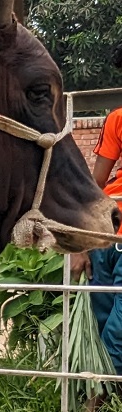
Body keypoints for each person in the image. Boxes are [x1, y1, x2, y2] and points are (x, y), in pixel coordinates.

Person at [75, 48, 122, 374]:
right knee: (101, 318)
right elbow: (95, 185)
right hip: (105, 237)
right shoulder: (117, 119)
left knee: (118, 331)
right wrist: (82, 242)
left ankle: (97, 402)